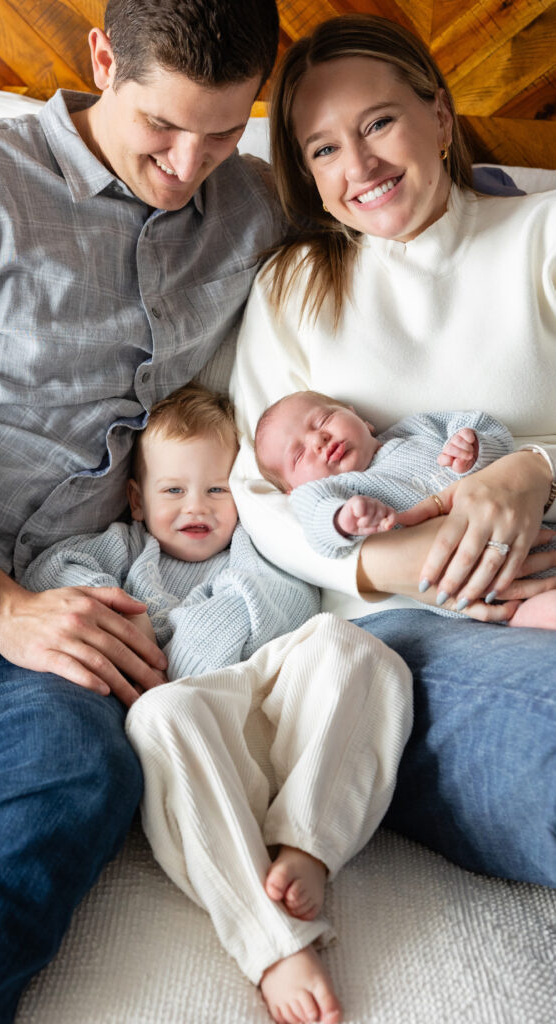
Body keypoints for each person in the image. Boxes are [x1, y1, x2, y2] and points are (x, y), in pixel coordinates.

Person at [0, 2, 285, 1020]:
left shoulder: (253, 206)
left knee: (81, 773)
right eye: (161, 126)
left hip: (66, 591)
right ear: (103, 59)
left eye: (223, 131)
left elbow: (397, 228)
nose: (187, 165)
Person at [230, 13, 556, 889]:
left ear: (439, 117)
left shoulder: (541, 236)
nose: (359, 165)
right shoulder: (292, 286)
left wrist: (533, 469)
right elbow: (256, 493)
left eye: (377, 123)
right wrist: (395, 563)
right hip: (403, 630)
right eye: (323, 149)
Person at [21, 382, 412, 1024]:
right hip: (199, 741)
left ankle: (308, 842)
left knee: (355, 649)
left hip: (278, 716)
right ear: (138, 500)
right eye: (173, 490)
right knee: (157, 714)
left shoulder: (258, 543)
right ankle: (275, 943)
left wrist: (173, 635)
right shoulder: (127, 549)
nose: (196, 507)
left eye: (217, 489)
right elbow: (49, 570)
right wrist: (121, 616)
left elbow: (282, 607)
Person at [254, 391, 556, 627]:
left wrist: (473, 448)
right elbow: (311, 511)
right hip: (493, 597)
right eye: (298, 455)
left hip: (530, 529)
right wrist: (341, 519)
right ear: (291, 490)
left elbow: (481, 425)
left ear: (359, 417)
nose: (318, 439)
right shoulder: (337, 489)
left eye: (323, 420)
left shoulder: (416, 429)